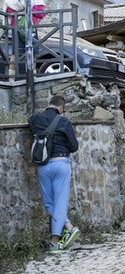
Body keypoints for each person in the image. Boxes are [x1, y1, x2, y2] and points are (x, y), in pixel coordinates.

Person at [28, 95, 80, 253]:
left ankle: (68, 227)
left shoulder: (35, 118)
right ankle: (55, 241)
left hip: (43, 165)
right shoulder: (63, 121)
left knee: (49, 203)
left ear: (48, 104)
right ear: (62, 107)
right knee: (60, 202)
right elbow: (74, 146)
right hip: (61, 164)